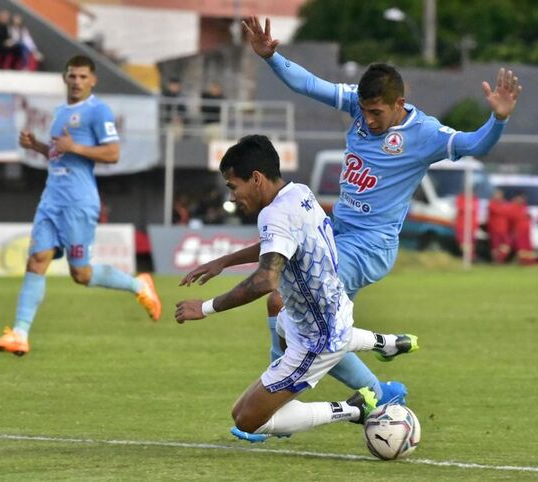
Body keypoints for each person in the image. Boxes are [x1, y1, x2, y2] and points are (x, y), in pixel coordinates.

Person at [195, 16, 521, 410]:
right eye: (363, 111)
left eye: (376, 113)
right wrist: (272, 57)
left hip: (370, 246)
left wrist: (498, 118)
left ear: (399, 104)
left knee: (287, 303)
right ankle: (380, 393)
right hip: (337, 234)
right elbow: (309, 85)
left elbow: (475, 145)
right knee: (308, 324)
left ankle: (281, 398)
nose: (366, 119)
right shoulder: (358, 104)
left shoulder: (426, 135)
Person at [176, 135, 418, 442]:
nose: (233, 196)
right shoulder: (298, 193)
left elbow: (265, 280)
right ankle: (386, 343)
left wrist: (206, 307)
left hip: (317, 338)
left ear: (256, 179)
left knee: (248, 419)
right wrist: (224, 261)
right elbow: (277, 245)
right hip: (331, 311)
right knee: (278, 311)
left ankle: (355, 409)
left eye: (233, 186)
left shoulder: (274, 214)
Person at [0, 55, 162, 356]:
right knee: (36, 260)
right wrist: (39, 146)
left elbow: (113, 154)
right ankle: (20, 333)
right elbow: (60, 154)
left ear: (92, 80)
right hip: (52, 199)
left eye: (83, 77)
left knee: (81, 274)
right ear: (65, 79)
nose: (77, 81)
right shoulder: (60, 113)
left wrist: (74, 146)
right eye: (73, 76)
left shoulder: (97, 111)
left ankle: (139, 286)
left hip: (79, 202)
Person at [509, 192, 537, 266]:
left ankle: (529, 260)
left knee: (527, 246)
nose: (522, 200)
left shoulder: (524, 207)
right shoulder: (513, 207)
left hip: (526, 230)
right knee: (521, 246)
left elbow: (529, 217)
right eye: (520, 198)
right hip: (519, 230)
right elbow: (513, 218)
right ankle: (523, 260)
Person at [487, 189, 512, 263]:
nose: (497, 196)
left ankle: (500, 259)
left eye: (499, 194)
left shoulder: (505, 204)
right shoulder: (491, 204)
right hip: (494, 229)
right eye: (496, 194)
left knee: (506, 245)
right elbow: (498, 211)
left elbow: (509, 213)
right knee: (495, 246)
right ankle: (496, 260)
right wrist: (505, 208)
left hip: (504, 229)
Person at [454, 191, 480, 259]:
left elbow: (474, 209)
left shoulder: (475, 200)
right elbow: (461, 208)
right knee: (462, 242)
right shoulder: (460, 199)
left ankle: (471, 257)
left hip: (472, 226)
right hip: (461, 225)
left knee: (471, 243)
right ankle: (467, 256)